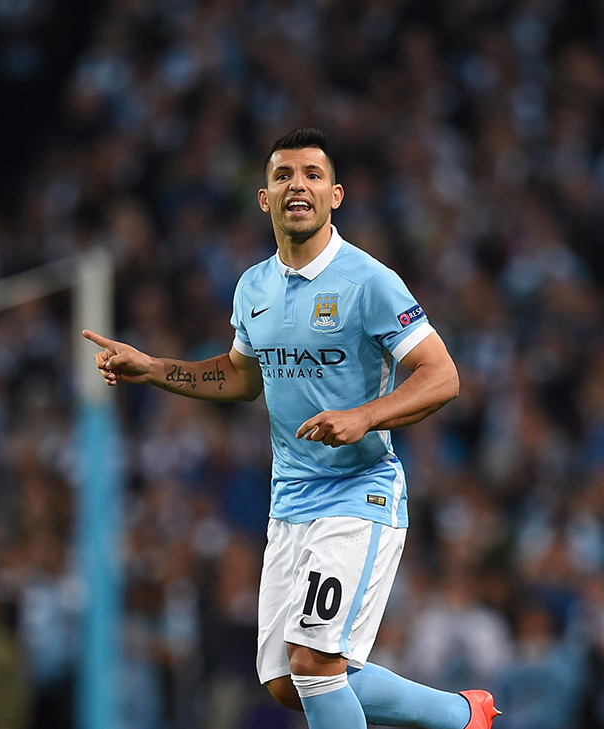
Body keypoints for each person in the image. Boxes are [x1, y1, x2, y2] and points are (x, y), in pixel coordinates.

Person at [83, 128, 499, 729]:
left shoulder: (368, 281)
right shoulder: (252, 287)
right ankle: (462, 716)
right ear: (264, 197)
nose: (296, 185)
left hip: (361, 494)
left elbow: (442, 376)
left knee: (314, 661)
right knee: (285, 681)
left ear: (335, 195)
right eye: (283, 175)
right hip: (292, 499)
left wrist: (364, 416)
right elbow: (239, 376)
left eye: (311, 175)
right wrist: (154, 369)